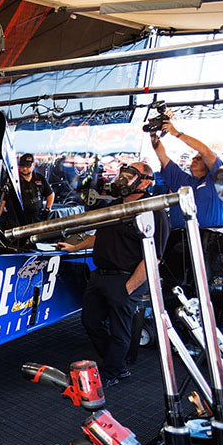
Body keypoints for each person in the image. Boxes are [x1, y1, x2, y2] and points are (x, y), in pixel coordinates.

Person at [56, 162, 169, 387]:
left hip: (127, 278)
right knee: (90, 321)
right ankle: (116, 362)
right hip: (101, 275)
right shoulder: (115, 205)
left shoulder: (153, 211)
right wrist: (74, 247)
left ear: (146, 181)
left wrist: (129, 287)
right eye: (123, 174)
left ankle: (112, 372)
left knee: (120, 329)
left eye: (131, 175)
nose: (123, 179)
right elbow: (100, 236)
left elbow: (153, 257)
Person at [151, 120, 223, 229]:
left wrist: (177, 133)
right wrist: (152, 134)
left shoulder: (216, 180)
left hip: (210, 238)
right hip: (179, 238)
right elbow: (163, 157)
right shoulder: (181, 179)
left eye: (199, 159)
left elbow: (206, 152)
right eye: (193, 158)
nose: (194, 160)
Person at [14, 153, 54, 224]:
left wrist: (47, 209)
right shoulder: (14, 180)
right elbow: (3, 200)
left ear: (34, 165)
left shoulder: (40, 178)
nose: (25, 168)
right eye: (22, 166)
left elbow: (50, 194)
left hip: (37, 219)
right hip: (18, 220)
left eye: (28, 166)